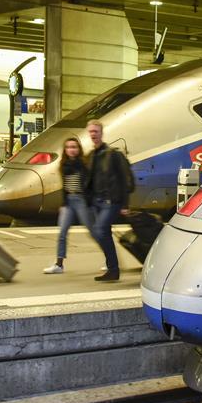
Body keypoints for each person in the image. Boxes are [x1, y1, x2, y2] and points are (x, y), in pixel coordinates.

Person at [86, 120, 133, 282]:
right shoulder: (92, 156)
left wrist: (125, 204)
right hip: (97, 202)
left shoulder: (113, 154)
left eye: (96, 131)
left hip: (111, 201)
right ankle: (112, 270)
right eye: (91, 131)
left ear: (101, 133)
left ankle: (113, 268)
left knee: (100, 230)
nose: (93, 134)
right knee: (101, 232)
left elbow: (125, 179)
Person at [43, 137, 94, 274]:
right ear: (65, 150)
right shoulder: (64, 165)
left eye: (74, 147)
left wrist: (90, 202)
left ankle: (109, 260)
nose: (71, 150)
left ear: (79, 149)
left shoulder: (84, 164)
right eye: (69, 147)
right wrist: (63, 204)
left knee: (93, 231)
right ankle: (59, 265)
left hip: (82, 201)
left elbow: (89, 185)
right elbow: (64, 186)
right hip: (69, 202)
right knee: (62, 232)